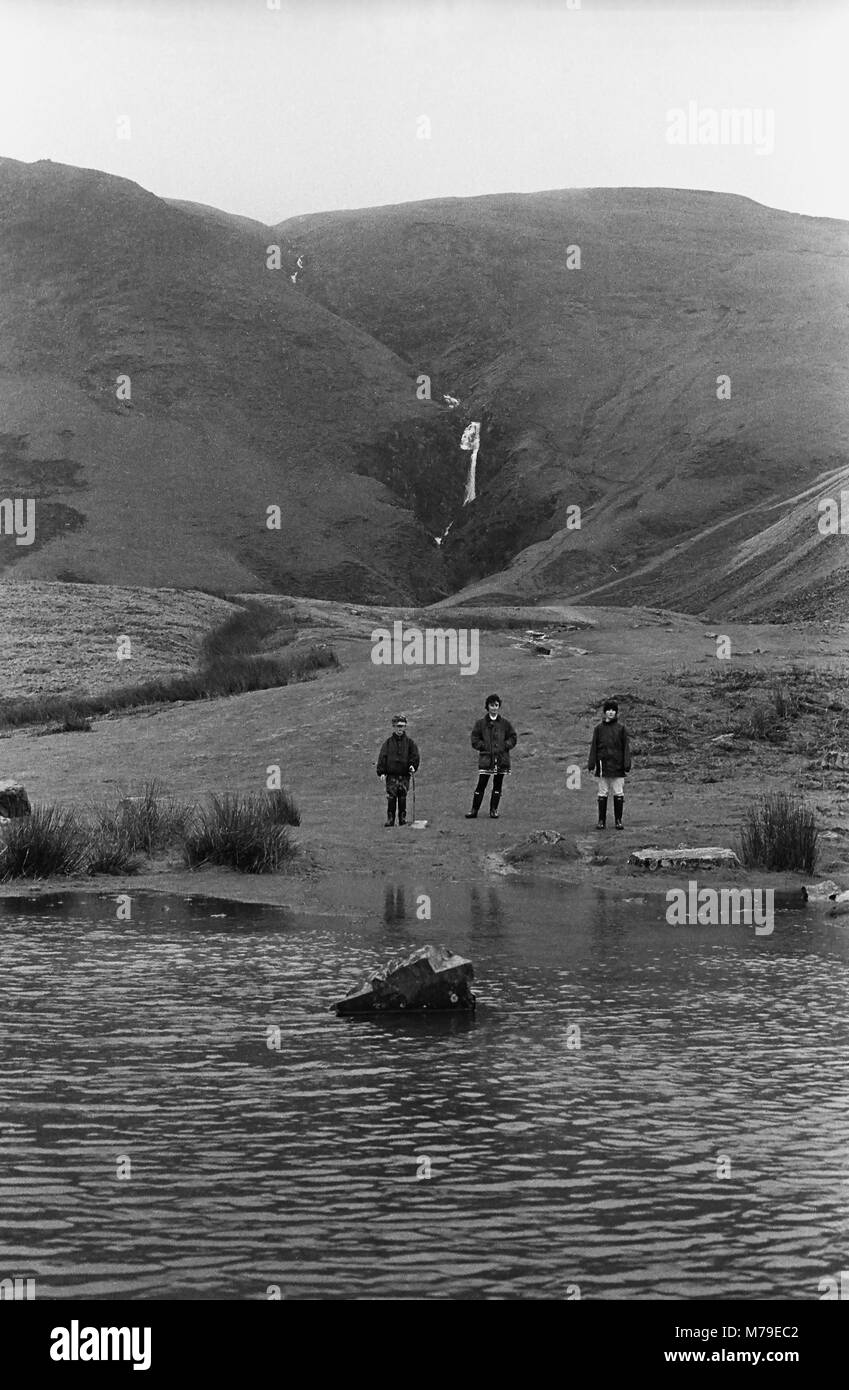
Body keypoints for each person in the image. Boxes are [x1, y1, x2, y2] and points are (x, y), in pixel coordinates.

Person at [466, 694, 517, 819]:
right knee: (481, 784)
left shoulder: (505, 724)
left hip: (501, 759)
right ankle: (474, 810)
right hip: (486, 759)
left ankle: (493, 810)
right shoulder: (480, 724)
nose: (494, 708)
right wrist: (483, 746)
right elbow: (475, 739)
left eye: (496, 705)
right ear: (487, 706)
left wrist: (505, 746)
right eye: (492, 705)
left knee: (498, 784)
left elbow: (513, 737)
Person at [587, 697, 631, 830]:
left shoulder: (621, 728)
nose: (611, 712)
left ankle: (618, 821)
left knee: (618, 793)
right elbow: (594, 746)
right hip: (602, 766)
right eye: (608, 710)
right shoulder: (598, 729)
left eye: (613, 710)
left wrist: (626, 763)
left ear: (616, 712)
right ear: (605, 712)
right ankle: (601, 821)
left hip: (618, 766)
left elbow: (626, 747)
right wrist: (591, 763)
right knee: (602, 793)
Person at [376, 714, 420, 827]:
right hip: (391, 776)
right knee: (391, 797)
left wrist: (413, 766)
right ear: (394, 727)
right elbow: (382, 757)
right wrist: (381, 772)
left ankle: (402, 819)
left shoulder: (410, 743)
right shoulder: (388, 743)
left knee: (403, 797)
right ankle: (390, 819)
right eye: (398, 726)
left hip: (404, 775)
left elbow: (415, 756)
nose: (400, 729)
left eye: (403, 726)